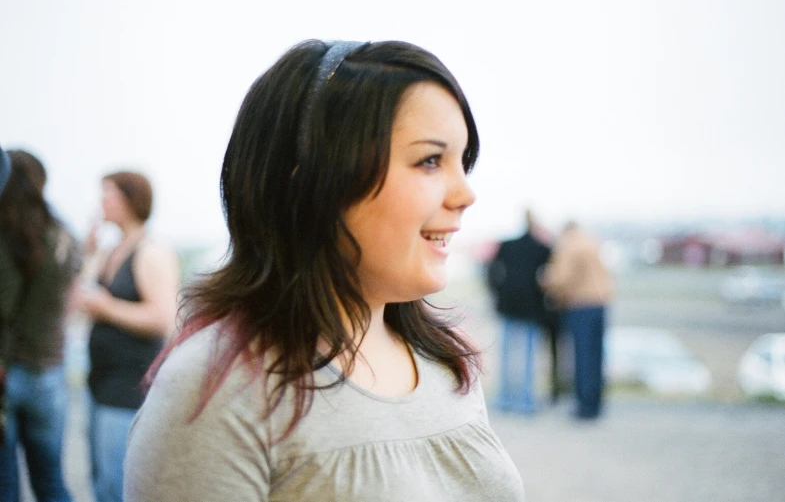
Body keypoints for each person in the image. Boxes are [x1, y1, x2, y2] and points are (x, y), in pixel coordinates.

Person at [124, 39, 525, 501]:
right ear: (313, 182)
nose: (465, 194)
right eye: (430, 161)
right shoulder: (220, 392)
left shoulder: (443, 360)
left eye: (462, 162)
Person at [75, 171, 179, 502]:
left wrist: (107, 308)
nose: (101, 201)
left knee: (116, 486)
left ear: (130, 201)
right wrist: (87, 251)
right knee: (99, 480)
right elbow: (80, 299)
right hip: (99, 382)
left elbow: (163, 319)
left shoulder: (150, 252)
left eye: (108, 193)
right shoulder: (110, 249)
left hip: (128, 388)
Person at [0, 149, 80, 502]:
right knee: (51, 482)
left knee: (6, 488)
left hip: (6, 370)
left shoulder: (5, 232)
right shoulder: (63, 234)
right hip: (48, 370)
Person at [540, 221, 613, 420]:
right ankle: (596, 404)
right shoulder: (592, 241)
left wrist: (546, 281)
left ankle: (584, 407)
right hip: (601, 303)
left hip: (580, 304)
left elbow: (561, 278)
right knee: (597, 357)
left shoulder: (568, 245)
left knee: (582, 357)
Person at [487, 209, 553, 413]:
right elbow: (549, 275)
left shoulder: (507, 245)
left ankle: (506, 397)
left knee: (507, 354)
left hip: (508, 304)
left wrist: (498, 292)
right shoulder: (541, 248)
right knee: (528, 356)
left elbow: (490, 271)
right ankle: (525, 399)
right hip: (532, 306)